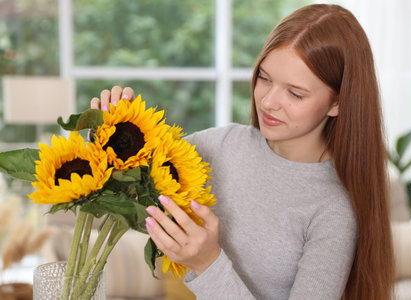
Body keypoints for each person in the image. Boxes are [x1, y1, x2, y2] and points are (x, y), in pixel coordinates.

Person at [91, 4, 395, 300]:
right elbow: (129, 172)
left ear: (337, 103)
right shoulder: (222, 145)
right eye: (264, 78)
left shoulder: (332, 212)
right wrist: (116, 126)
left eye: (295, 93)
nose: (268, 102)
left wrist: (208, 264)